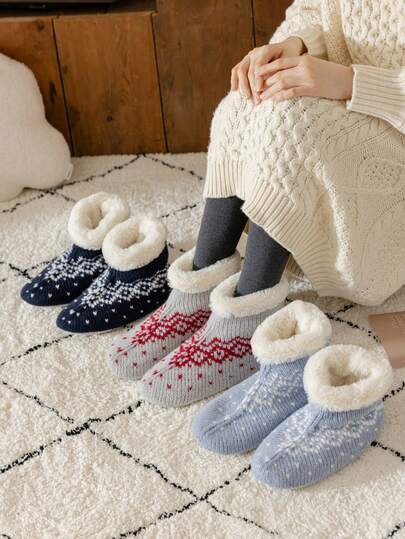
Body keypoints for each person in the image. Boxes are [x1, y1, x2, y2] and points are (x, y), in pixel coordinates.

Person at [108, 0, 405, 407]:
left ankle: (249, 312)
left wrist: (352, 83)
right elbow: (316, 10)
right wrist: (293, 46)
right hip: (355, 105)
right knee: (244, 102)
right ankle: (200, 284)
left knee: (294, 125)